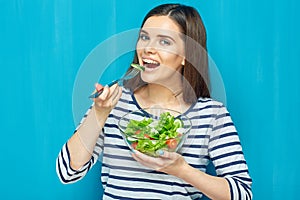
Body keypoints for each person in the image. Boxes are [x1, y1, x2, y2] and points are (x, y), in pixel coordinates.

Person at [56, 3, 252, 200]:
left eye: (164, 42)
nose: (148, 48)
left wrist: (183, 171)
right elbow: (67, 172)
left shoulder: (212, 115)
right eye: (144, 37)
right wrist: (98, 114)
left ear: (187, 55)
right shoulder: (113, 103)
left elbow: (242, 194)